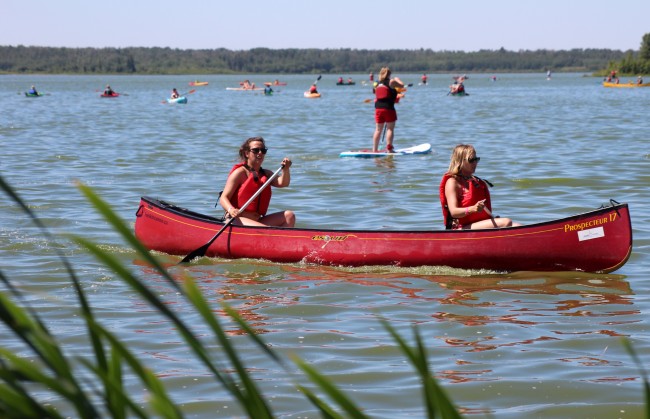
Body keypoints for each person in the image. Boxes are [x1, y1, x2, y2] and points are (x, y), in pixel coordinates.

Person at [439, 144, 521, 230]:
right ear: (460, 161)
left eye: (476, 159)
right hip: (460, 228)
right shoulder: (452, 182)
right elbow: (454, 212)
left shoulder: (476, 181)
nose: (475, 163)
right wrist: (473, 209)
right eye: (471, 160)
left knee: (518, 226)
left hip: (477, 225)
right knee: (506, 222)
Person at [219, 137, 295, 227]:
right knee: (267, 230)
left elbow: (283, 183)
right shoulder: (240, 173)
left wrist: (286, 169)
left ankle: (282, 240)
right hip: (237, 221)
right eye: (255, 150)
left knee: (289, 216)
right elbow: (224, 198)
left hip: (257, 221)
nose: (260, 153)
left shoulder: (266, 173)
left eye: (263, 150)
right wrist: (231, 210)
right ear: (247, 153)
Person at [372, 67, 404, 153]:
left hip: (378, 109)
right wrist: (397, 79)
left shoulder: (376, 83)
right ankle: (389, 149)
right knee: (390, 129)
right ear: (389, 74)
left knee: (378, 130)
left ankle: (374, 150)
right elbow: (402, 85)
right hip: (388, 108)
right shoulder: (391, 81)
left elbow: (375, 92)